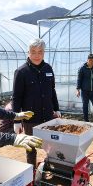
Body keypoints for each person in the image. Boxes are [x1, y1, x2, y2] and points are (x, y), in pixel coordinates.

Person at [13, 39, 60, 168]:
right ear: (28, 52)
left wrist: (56, 108)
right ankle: (31, 171)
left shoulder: (48, 68)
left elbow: (52, 90)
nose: (36, 55)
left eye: (40, 52)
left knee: (50, 144)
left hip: (47, 116)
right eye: (33, 52)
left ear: (44, 53)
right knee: (31, 146)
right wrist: (16, 120)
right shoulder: (21, 72)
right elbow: (16, 97)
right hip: (30, 118)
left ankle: (50, 166)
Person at [76, 54, 93, 125]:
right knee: (85, 106)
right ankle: (86, 121)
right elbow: (79, 79)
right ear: (87, 60)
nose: (92, 62)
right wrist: (78, 89)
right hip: (85, 91)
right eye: (90, 60)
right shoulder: (82, 68)